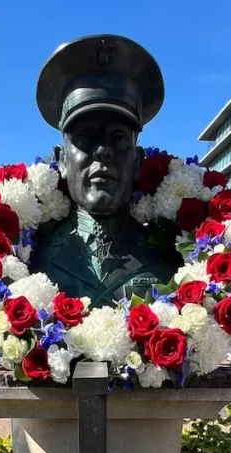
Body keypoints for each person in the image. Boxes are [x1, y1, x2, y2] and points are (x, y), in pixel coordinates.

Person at [33, 35, 181, 306]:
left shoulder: (173, 254)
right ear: (62, 160)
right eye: (86, 137)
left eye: (118, 138)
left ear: (137, 162)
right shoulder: (28, 254)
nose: (103, 151)